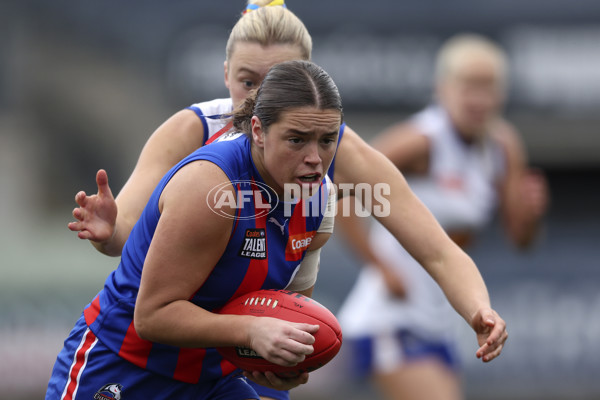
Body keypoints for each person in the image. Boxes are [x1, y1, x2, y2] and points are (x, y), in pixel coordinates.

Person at [66, 2, 509, 399]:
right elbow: (137, 260)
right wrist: (110, 232)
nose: (261, 98)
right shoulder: (200, 153)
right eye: (248, 81)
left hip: (229, 367)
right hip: (134, 358)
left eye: (278, 80)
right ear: (226, 75)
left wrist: (479, 309)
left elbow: (435, 249)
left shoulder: (326, 154)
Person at [47, 59, 343, 400]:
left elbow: (287, 311)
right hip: (124, 364)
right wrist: (250, 331)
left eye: (326, 140)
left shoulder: (320, 199)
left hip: (215, 380)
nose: (315, 159)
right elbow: (153, 316)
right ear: (258, 131)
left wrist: (281, 368)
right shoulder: (212, 189)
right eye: (297, 139)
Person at [336, 33, 548, 400]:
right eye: (469, 85)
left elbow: (521, 240)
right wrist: (379, 266)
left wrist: (532, 214)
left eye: (488, 86)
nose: (478, 98)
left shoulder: (502, 146)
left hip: (440, 318)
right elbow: (342, 187)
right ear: (443, 88)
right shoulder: (423, 140)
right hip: (392, 315)